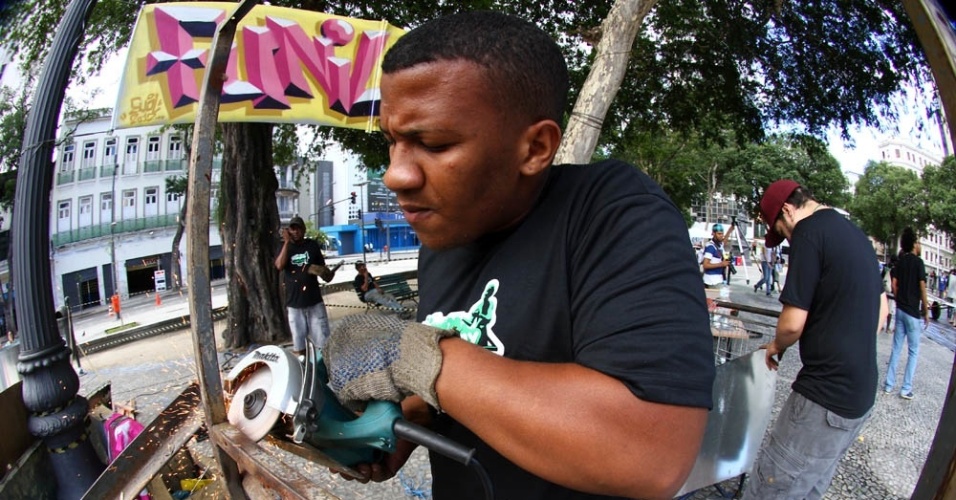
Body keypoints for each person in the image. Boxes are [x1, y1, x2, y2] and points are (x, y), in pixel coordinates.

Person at [321, 11, 715, 499]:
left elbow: (651, 453)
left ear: (536, 147)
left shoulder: (614, 212)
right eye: (393, 143)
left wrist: (419, 359)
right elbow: (471, 387)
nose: (396, 175)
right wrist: (400, 422)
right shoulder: (446, 236)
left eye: (435, 143)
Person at [743, 180, 883, 500]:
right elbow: (881, 313)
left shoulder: (808, 232)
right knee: (807, 489)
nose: (787, 237)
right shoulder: (856, 236)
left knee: (771, 489)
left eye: (782, 229)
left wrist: (776, 346)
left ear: (788, 210)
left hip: (824, 395)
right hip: (859, 397)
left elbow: (792, 324)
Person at [274, 216, 337, 355]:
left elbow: (323, 269)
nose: (296, 232)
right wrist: (286, 243)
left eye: (298, 229)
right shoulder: (285, 247)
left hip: (314, 301)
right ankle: (304, 368)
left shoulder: (312, 245)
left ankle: (324, 368)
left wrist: (323, 272)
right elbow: (279, 265)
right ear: (289, 231)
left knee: (322, 339)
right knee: (298, 341)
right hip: (294, 303)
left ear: (303, 230)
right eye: (293, 229)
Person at [883, 227, 929, 400]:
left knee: (896, 348)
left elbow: (894, 284)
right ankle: (905, 388)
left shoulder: (900, 262)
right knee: (913, 350)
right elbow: (923, 288)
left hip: (900, 309)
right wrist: (925, 310)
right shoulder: (919, 263)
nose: (920, 245)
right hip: (912, 312)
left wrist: (898, 296)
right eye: (918, 242)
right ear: (914, 245)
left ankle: (888, 384)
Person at [702, 223, 733, 288]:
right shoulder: (710, 247)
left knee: (724, 297)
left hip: (719, 279)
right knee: (723, 297)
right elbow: (705, 265)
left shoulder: (719, 245)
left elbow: (724, 241)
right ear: (713, 233)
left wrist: (731, 229)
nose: (721, 235)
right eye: (719, 234)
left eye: (722, 233)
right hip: (712, 280)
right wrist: (721, 264)